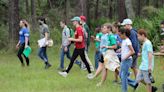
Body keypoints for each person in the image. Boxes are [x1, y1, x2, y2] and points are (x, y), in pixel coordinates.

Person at [118, 28, 135, 92]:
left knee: (123, 76)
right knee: (120, 75)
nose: (120, 37)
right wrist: (120, 49)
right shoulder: (124, 40)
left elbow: (132, 51)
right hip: (124, 61)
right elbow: (125, 49)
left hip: (127, 61)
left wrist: (125, 57)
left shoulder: (128, 41)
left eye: (120, 35)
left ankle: (124, 90)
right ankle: (134, 83)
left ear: (124, 34)